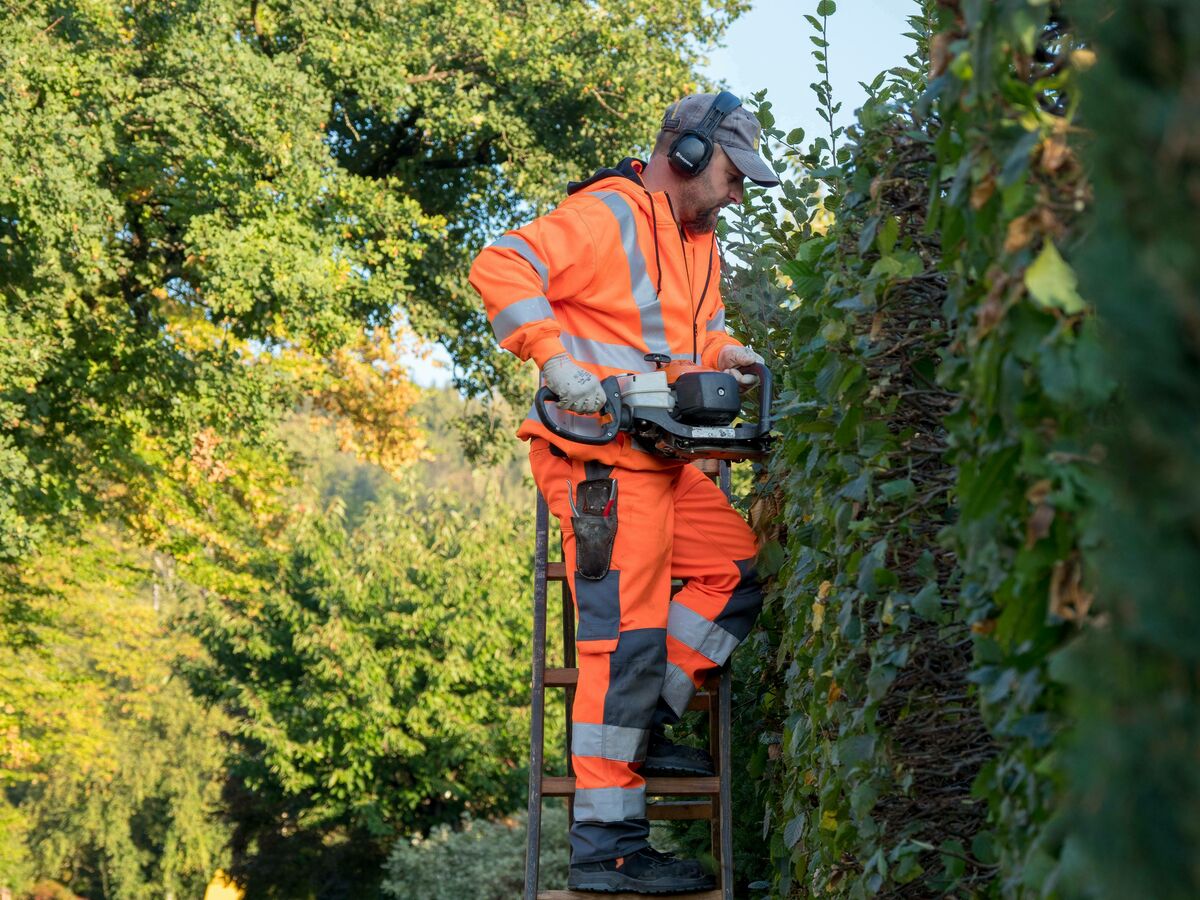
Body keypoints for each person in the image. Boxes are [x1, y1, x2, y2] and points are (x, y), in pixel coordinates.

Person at [469, 91, 779, 894]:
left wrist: (727, 353)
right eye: (732, 173)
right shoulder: (606, 214)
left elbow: (693, 335)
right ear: (686, 153)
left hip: (662, 454)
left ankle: (642, 726)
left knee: (736, 574)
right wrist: (550, 356)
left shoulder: (699, 240)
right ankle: (608, 847)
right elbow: (500, 264)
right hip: (600, 460)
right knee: (623, 644)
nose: (737, 192)